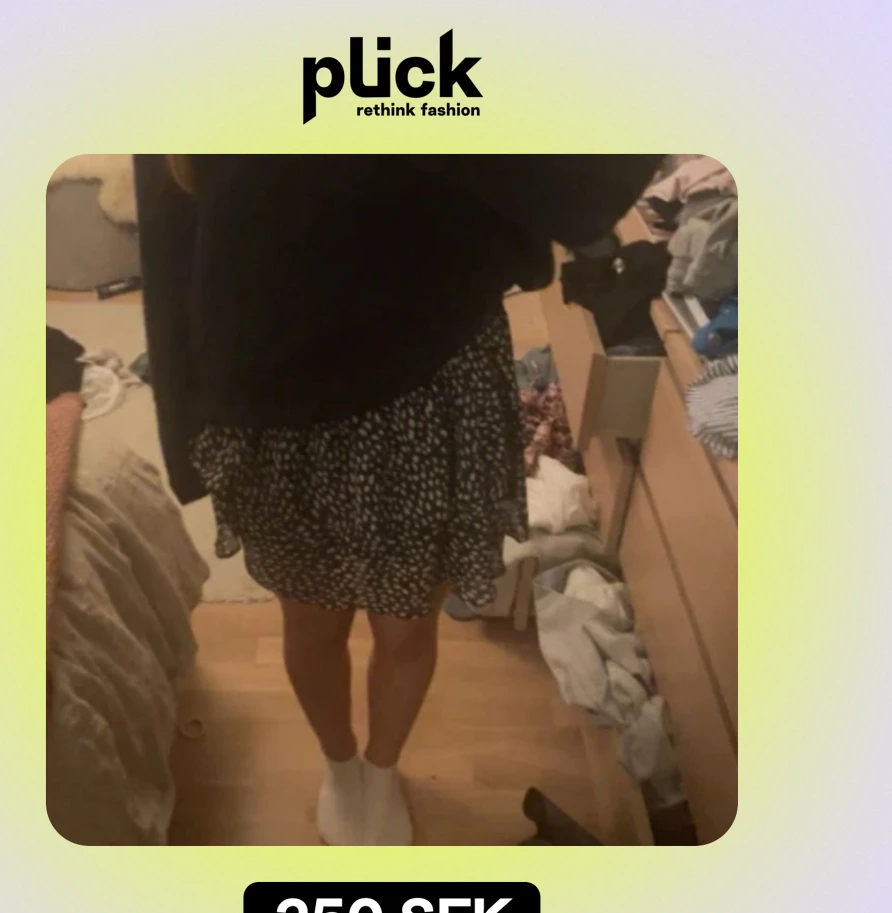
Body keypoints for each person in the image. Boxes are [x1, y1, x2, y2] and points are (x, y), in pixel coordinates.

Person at [134, 154, 662, 845]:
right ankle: (340, 766)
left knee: (407, 627)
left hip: (433, 370)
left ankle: (381, 770)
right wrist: (187, 418)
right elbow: (173, 234)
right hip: (276, 389)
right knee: (313, 623)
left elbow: (578, 168)